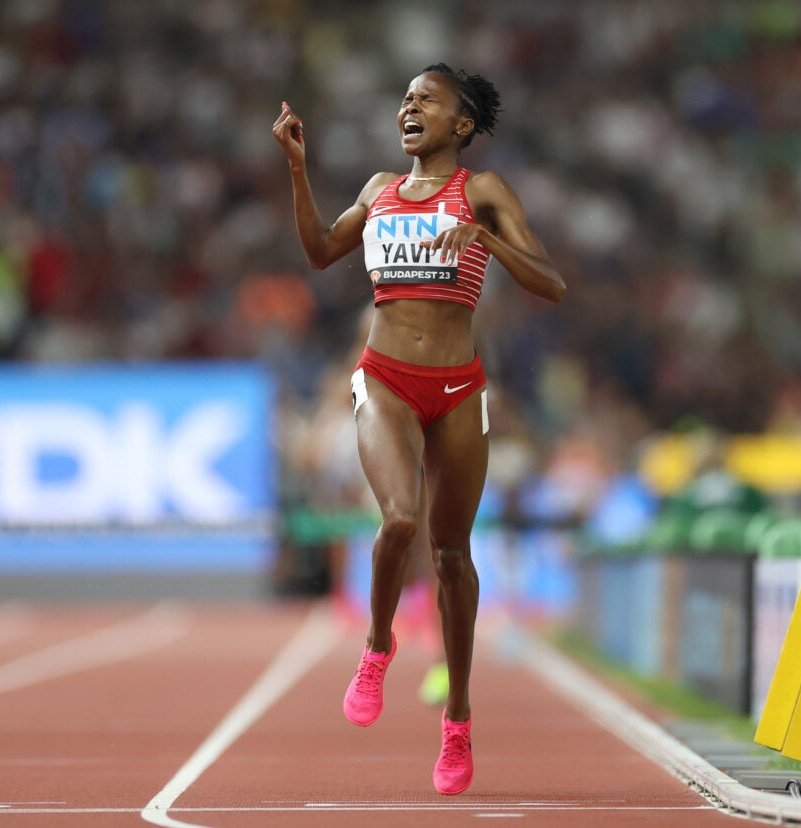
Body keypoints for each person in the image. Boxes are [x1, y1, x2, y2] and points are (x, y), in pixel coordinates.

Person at [272, 63, 564, 796]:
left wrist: (484, 241)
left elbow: (550, 283)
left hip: (461, 389)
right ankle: (377, 646)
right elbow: (316, 252)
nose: (409, 106)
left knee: (452, 556)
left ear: (461, 125)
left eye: (426, 99)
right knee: (400, 517)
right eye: (404, 97)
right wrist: (298, 170)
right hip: (387, 379)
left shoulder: (484, 192)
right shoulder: (378, 191)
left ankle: (458, 722)